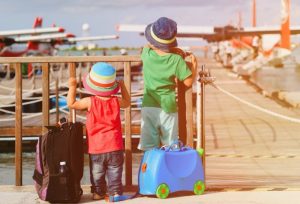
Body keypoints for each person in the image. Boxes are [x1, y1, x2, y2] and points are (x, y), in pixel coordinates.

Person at [67, 62, 130, 200]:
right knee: (115, 172)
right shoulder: (116, 101)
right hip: (115, 145)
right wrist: (123, 86)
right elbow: (128, 102)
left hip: (96, 147)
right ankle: (115, 194)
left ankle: (98, 193)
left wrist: (72, 87)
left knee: (97, 173)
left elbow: (72, 104)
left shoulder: (90, 101)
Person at [138, 17, 197, 151]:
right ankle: (169, 169)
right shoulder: (176, 60)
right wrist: (194, 66)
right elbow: (188, 82)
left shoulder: (146, 54)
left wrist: (168, 48)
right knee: (170, 144)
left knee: (149, 145)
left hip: (148, 105)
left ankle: (149, 168)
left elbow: (147, 45)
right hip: (168, 107)